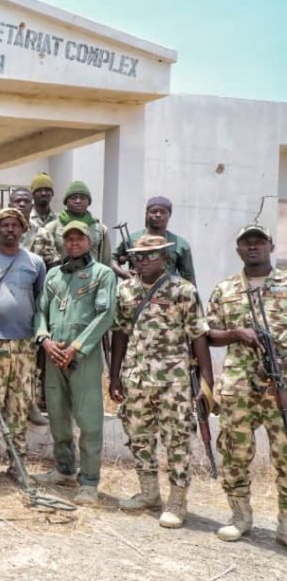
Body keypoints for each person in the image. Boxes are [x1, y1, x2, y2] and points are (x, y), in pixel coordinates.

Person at [109, 234, 212, 528]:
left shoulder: (182, 290)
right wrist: (115, 375)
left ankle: (177, 501)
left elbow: (198, 335)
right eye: (139, 256)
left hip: (174, 381)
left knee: (177, 439)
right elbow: (120, 333)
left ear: (165, 257)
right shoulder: (126, 290)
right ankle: (149, 493)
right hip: (137, 377)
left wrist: (207, 382)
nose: (144, 260)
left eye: (151, 255)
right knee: (139, 436)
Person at [206, 224, 287, 545]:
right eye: (246, 243)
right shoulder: (225, 289)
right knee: (234, 453)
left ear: (271, 246)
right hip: (238, 386)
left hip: (280, 386)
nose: (253, 247)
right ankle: (240, 515)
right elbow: (207, 333)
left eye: (259, 242)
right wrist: (237, 334)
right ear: (238, 250)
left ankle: (284, 522)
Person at [33, 221, 116, 505]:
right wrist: (44, 338)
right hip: (54, 355)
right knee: (57, 416)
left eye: (79, 239)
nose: (73, 244)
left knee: (89, 420)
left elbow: (105, 316)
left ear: (89, 241)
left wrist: (78, 346)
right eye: (68, 239)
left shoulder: (102, 275)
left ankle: (89, 481)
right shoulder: (53, 275)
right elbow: (40, 310)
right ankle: (64, 469)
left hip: (84, 357)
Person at [0, 208, 46, 488]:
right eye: (4, 225)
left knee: (19, 405)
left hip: (25, 345)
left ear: (23, 229)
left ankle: (17, 463)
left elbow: (41, 305)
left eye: (15, 225)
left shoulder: (35, 262)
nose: (10, 230)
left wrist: (38, 339)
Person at [111, 196, 195, 282]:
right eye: (154, 211)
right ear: (146, 214)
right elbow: (112, 259)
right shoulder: (132, 239)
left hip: (168, 292)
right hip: (136, 291)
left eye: (163, 212)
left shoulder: (180, 244)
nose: (158, 215)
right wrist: (122, 273)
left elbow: (189, 279)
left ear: (169, 215)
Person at [37, 181, 110, 268]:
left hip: (93, 278)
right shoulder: (52, 227)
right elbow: (41, 260)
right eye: (73, 198)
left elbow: (107, 261)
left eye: (83, 198)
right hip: (62, 278)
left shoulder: (100, 229)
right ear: (66, 202)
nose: (78, 201)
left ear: (89, 202)